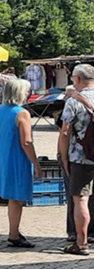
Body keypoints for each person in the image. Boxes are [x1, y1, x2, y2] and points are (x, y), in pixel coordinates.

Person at [0, 79, 40, 248]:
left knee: (13, 198)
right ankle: (13, 234)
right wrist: (36, 163)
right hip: (16, 159)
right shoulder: (22, 113)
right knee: (17, 198)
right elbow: (26, 142)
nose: (28, 94)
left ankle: (14, 232)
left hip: (2, 156)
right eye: (27, 91)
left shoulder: (0, 110)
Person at [60, 64, 94, 256]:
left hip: (81, 156)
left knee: (81, 199)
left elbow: (65, 132)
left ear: (77, 79)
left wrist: (64, 156)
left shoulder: (74, 101)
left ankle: (81, 243)